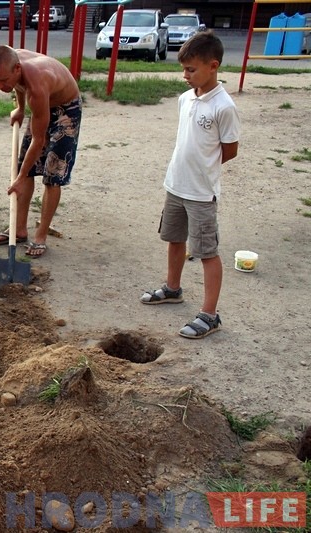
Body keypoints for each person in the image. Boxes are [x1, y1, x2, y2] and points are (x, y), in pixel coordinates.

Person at [140, 31, 240, 339]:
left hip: (200, 193)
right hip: (176, 185)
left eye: (191, 69)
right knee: (174, 239)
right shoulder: (186, 99)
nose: (185, 75)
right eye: (183, 69)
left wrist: (203, 169)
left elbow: (230, 149)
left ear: (213, 65)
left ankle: (210, 315)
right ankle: (173, 289)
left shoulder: (223, 106)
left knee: (206, 251)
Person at [0, 45, 81, 257]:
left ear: (17, 69)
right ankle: (19, 229)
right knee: (25, 168)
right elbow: (18, 85)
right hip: (41, 106)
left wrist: (18, 179)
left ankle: (40, 236)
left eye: (2, 81)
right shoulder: (12, 62)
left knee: (52, 175)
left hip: (66, 109)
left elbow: (39, 140)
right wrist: (20, 108)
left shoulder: (37, 85)